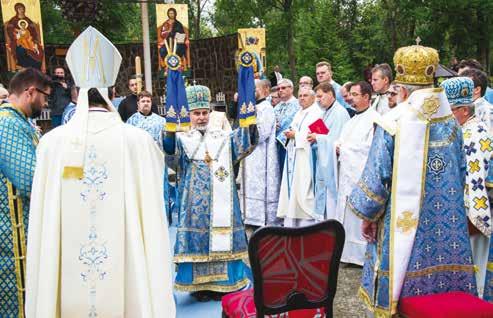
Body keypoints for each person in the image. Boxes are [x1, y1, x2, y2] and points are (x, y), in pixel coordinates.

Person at [25, 26, 175, 317]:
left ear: (76, 93)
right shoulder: (138, 141)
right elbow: (153, 217)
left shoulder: (51, 144)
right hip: (127, 270)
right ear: (113, 94)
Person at [349, 44, 477, 316]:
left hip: (402, 225)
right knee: (447, 301)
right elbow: (463, 172)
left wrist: (367, 216)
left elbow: (376, 180)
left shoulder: (392, 121)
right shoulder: (452, 123)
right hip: (448, 228)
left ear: (403, 89)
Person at [163, 85, 257, 300]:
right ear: (190, 114)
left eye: (205, 112)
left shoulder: (224, 137)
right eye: (197, 113)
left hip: (223, 204)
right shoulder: (183, 139)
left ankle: (224, 283)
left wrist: (249, 121)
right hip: (193, 208)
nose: (202, 117)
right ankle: (199, 287)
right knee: (198, 242)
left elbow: (244, 142)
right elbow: (170, 151)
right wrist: (169, 130)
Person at [0, 67, 51, 317]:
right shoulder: (7, 123)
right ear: (30, 92)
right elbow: (30, 179)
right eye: (45, 96)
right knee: (16, 297)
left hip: (22, 224)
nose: (45, 102)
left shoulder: (20, 121)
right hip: (10, 231)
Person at [442, 77, 493, 298]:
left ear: (463, 110)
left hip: (472, 216)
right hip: (466, 213)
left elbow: (476, 181)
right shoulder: (468, 130)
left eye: (449, 111)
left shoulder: (473, 135)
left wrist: (471, 217)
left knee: (475, 268)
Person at [334, 81, 378, 266]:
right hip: (346, 174)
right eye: (350, 94)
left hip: (361, 176)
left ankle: (361, 257)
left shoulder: (375, 119)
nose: (350, 98)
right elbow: (341, 141)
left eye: (355, 94)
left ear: (367, 97)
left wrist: (344, 149)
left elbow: (370, 149)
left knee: (358, 215)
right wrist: (337, 146)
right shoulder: (351, 120)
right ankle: (346, 254)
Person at [240, 79, 281, 234]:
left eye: (254, 88)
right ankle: (250, 217)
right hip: (250, 155)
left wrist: (249, 126)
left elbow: (261, 133)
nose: (251, 91)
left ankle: (260, 218)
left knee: (259, 184)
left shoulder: (266, 108)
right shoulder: (253, 107)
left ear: (265, 89)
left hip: (261, 155)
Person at [277, 87, 322, 227]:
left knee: (303, 190)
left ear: (313, 98)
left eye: (305, 95)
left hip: (306, 158)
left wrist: (296, 135)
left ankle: (306, 222)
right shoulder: (299, 113)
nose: (302, 98)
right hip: (293, 156)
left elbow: (318, 137)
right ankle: (292, 219)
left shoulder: (317, 113)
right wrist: (290, 133)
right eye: (300, 95)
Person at [307, 81, 349, 224]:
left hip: (333, 166)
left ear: (331, 94)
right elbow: (323, 134)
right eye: (317, 97)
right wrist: (314, 136)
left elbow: (337, 142)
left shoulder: (339, 113)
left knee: (331, 203)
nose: (318, 100)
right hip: (323, 161)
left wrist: (317, 137)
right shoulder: (325, 113)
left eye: (320, 96)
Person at [4, 2, 44, 71]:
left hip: (29, 40)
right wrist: (16, 34)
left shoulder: (28, 20)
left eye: (22, 9)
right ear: (16, 10)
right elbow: (10, 30)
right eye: (19, 9)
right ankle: (23, 65)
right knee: (21, 49)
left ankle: (36, 66)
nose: (21, 10)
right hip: (18, 40)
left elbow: (33, 31)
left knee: (39, 49)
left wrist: (33, 39)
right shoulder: (13, 20)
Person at [274, 79, 299, 173]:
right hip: (276, 144)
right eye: (278, 88)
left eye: (283, 88)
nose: (280, 90)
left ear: (291, 89)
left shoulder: (298, 104)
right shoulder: (276, 107)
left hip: (291, 143)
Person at [460, 68, 493, 133]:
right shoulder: (461, 108)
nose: (458, 91)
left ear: (477, 90)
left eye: (463, 87)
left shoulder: (488, 111)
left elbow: (489, 137)